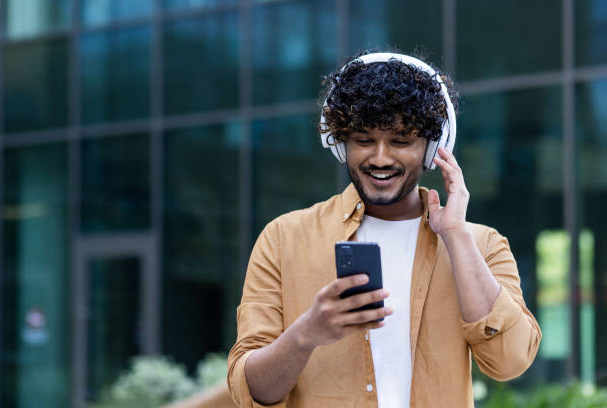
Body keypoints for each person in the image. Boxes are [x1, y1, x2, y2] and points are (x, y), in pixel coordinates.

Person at [227, 51, 541, 408]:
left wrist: (455, 235)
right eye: (363, 140)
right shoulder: (283, 239)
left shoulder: (481, 245)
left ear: (432, 148)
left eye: (401, 141)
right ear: (342, 144)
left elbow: (511, 362)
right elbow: (250, 392)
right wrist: (306, 333)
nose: (379, 157)